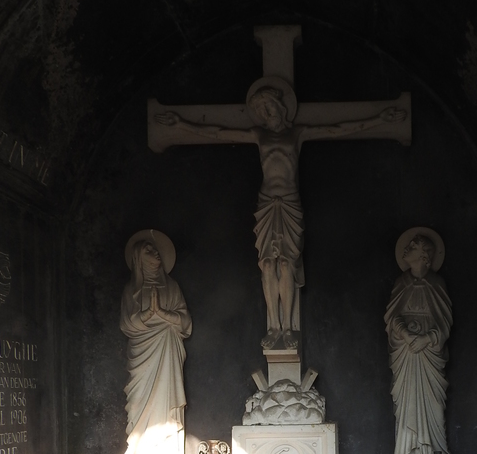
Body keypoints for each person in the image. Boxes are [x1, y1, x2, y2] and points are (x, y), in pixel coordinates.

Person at [156, 84, 405, 350]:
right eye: (261, 109)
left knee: (286, 264)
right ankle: (273, 327)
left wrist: (379, 119)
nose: (266, 112)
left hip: (288, 203)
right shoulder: (259, 134)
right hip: (266, 204)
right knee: (267, 265)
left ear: (280, 106)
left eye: (268, 106)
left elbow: (336, 128)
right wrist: (181, 124)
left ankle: (287, 327)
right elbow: (218, 132)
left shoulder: (297, 133)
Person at [118, 233, 192, 454]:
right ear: (138, 260)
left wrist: (162, 314)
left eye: (156, 249)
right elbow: (126, 325)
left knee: (166, 402)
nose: (155, 252)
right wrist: (148, 314)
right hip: (142, 356)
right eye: (148, 250)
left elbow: (186, 324)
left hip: (167, 353)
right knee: (137, 404)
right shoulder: (131, 291)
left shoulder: (172, 288)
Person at [385, 232, 452, 454]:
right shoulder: (401, 283)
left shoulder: (437, 284)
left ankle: (436, 453)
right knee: (407, 402)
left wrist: (427, 339)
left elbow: (445, 322)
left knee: (434, 404)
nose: (407, 248)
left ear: (424, 256)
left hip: (429, 353)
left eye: (413, 246)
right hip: (406, 351)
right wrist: (406, 335)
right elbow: (392, 317)